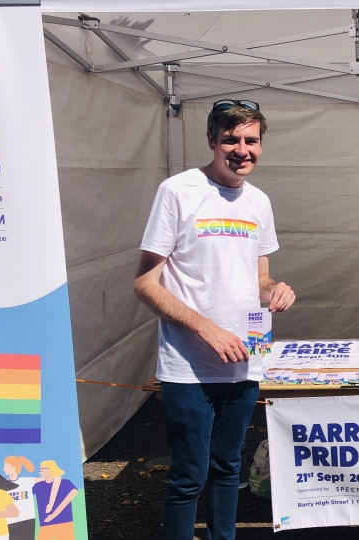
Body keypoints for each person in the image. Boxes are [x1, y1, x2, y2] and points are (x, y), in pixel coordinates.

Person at [133, 99, 295, 540]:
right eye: (231, 139)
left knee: (228, 468)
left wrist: (275, 290)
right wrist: (206, 328)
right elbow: (145, 283)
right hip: (189, 364)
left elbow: (258, 277)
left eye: (251, 140)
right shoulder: (177, 191)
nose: (242, 150)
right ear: (211, 140)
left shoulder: (259, 202)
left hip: (246, 357)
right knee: (189, 475)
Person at [32, 461, 77, 540]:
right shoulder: (38, 486)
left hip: (65, 523)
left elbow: (66, 501)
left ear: (50, 469)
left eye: (42, 469)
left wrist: (54, 515)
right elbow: (27, 484)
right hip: (45, 524)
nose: (39, 472)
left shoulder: (66, 483)